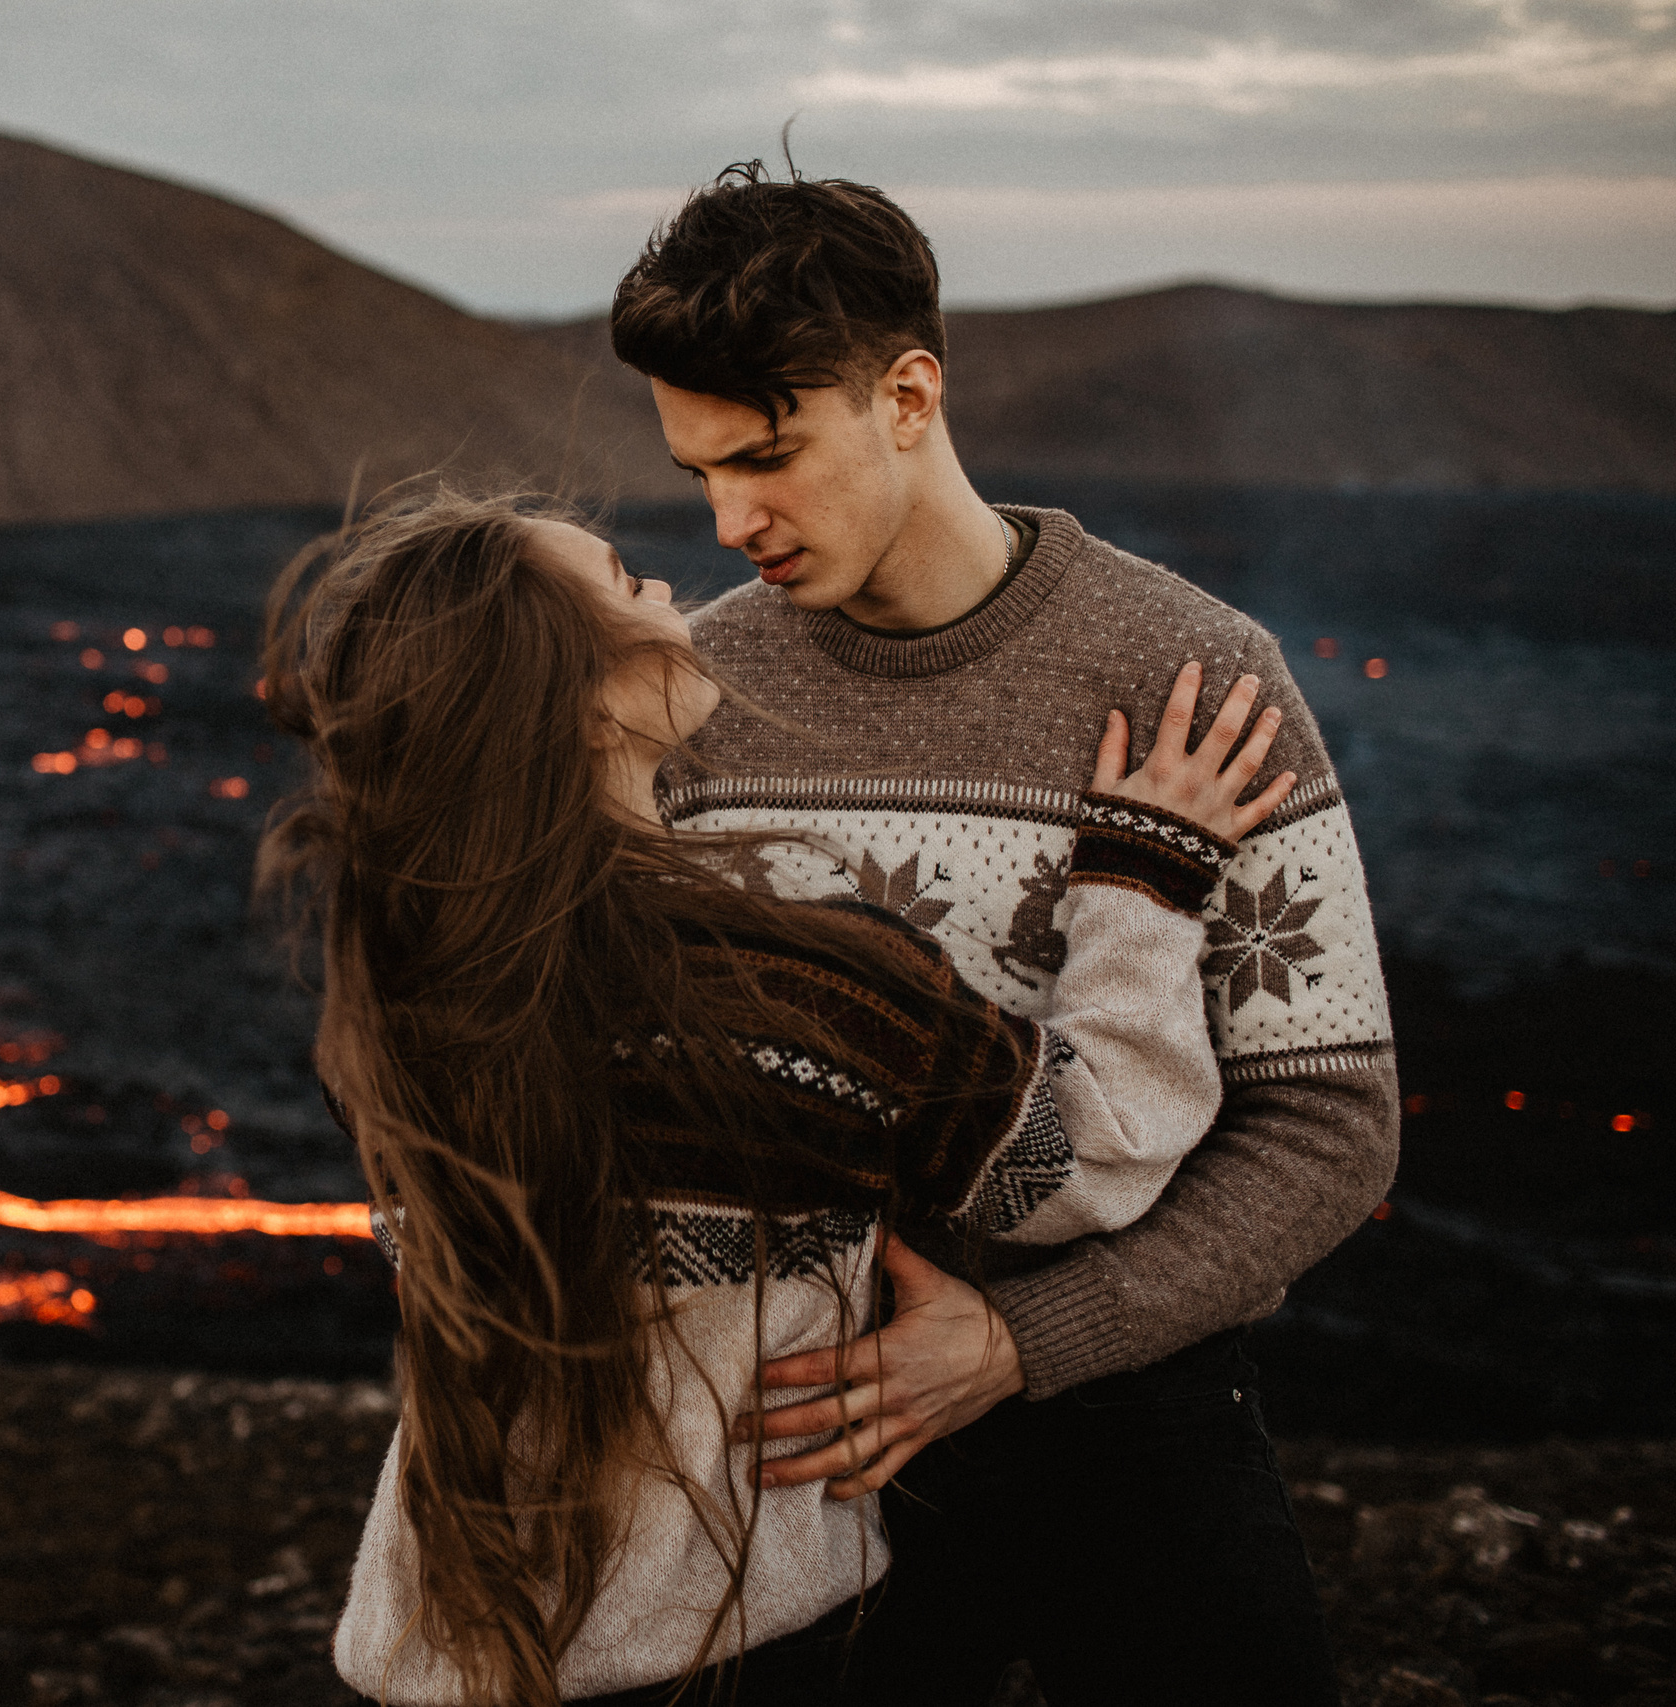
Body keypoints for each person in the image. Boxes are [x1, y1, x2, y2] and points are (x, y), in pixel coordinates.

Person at [259, 488, 1292, 1706]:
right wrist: (1142, 875)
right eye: (630, 584)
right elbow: (1092, 1160)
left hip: (433, 1644)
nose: (680, 594)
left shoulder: (404, 1002)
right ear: (581, 701)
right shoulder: (802, 991)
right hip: (724, 1648)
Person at [608, 165, 1399, 1704]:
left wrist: (1026, 1338)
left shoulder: (1189, 672)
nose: (729, 518)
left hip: (1141, 1422)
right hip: (800, 1449)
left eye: (767, 455)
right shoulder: (690, 701)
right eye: (699, 470)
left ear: (907, 394)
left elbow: (1332, 1120)